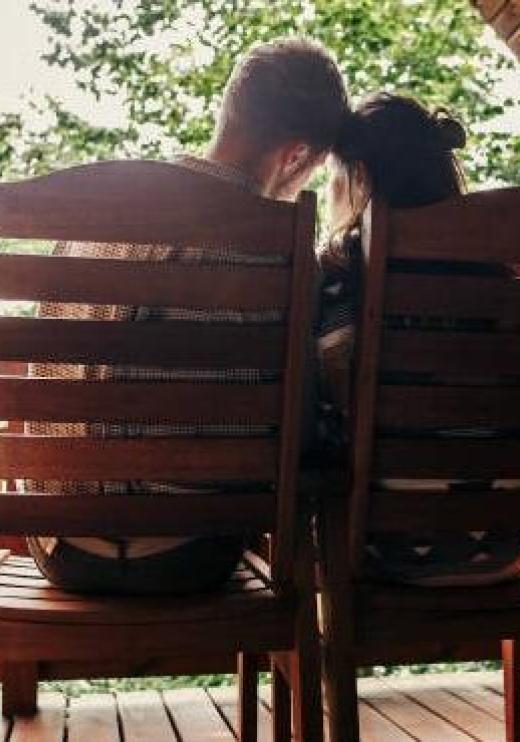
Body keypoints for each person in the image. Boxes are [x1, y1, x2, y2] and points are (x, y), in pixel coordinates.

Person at [20, 38, 351, 595]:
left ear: (230, 108)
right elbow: (296, 431)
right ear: (296, 155)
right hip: (193, 553)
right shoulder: (280, 247)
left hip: (63, 546)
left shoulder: (96, 210)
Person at [313, 92, 520, 587]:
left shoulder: (343, 277)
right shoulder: (508, 275)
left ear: (360, 177)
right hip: (504, 546)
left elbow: (328, 398)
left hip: (390, 548)